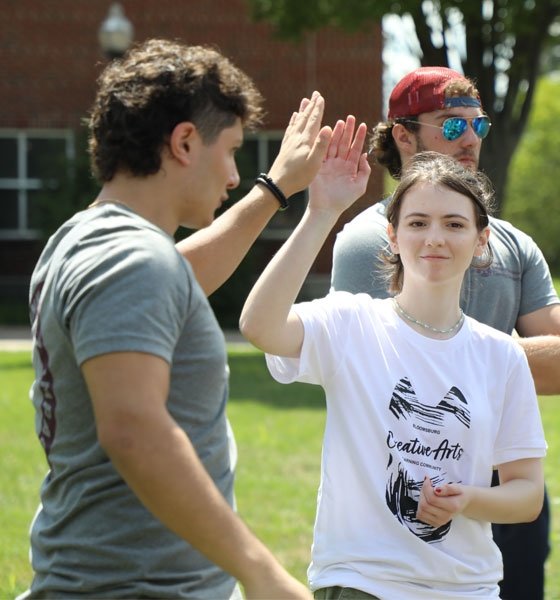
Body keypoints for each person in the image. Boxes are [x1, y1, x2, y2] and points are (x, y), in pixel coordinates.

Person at [22, 38, 334, 599]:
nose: (236, 175)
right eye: (233, 151)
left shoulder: (85, 240)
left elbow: (179, 279)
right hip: (140, 587)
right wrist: (260, 571)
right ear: (185, 142)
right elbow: (135, 431)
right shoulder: (132, 260)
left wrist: (277, 188)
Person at [239, 127, 547, 599]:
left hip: (468, 589)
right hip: (364, 583)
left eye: (455, 224)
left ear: (481, 240)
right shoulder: (351, 323)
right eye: (418, 222)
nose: (435, 238)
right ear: (393, 235)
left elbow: (526, 494)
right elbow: (259, 325)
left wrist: (468, 499)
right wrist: (321, 213)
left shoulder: (500, 354)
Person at [330, 66, 560, 600]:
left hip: (509, 481)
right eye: (451, 127)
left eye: (478, 126)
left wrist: (474, 357)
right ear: (403, 135)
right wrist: (486, 362)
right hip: (410, 480)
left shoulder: (515, 245)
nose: (471, 139)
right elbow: (367, 368)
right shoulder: (368, 241)